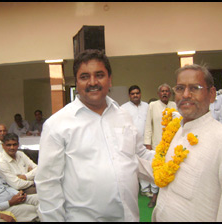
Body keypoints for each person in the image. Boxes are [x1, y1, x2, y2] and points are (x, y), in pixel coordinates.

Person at [35, 49, 154, 222]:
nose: (93, 82)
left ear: (110, 79)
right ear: (76, 81)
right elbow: (48, 184)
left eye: (99, 75)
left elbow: (139, 155)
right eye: (84, 77)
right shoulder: (57, 125)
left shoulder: (123, 116)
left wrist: (173, 161)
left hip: (129, 216)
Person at [138, 64, 222, 221]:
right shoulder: (177, 133)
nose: (186, 94)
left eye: (195, 88)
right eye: (180, 88)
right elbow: (164, 172)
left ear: (211, 94)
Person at [0, 145, 40, 222]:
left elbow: (5, 186)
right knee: (33, 210)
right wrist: (10, 202)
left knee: (42, 198)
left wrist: (18, 193)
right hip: (4, 206)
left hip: (15, 198)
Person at [143, 83, 177, 207]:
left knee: (171, 169)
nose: (164, 93)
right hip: (157, 143)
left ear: (170, 94)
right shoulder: (153, 105)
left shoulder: (174, 105)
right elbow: (148, 125)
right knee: (156, 170)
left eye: (167, 91)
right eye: (162, 91)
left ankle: (169, 198)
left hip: (172, 144)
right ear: (158, 94)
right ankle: (155, 196)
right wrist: (148, 143)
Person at [121, 85, 152, 198]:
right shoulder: (123, 108)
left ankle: (152, 188)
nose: (135, 95)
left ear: (140, 94)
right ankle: (144, 188)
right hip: (132, 141)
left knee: (149, 162)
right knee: (139, 163)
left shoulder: (147, 106)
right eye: (133, 94)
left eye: (137, 93)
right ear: (129, 95)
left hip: (147, 139)